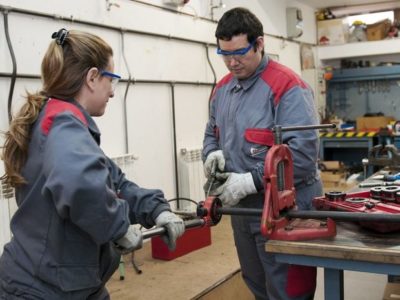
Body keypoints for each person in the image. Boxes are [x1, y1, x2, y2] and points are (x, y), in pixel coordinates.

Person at [0, 28, 185, 300]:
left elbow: (113, 181)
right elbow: (79, 183)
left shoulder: (57, 118)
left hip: (67, 280)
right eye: (111, 80)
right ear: (92, 77)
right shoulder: (63, 124)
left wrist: (155, 209)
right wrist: (118, 227)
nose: (112, 92)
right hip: (42, 288)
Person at [203, 7, 322, 300]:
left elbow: (302, 159)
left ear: (259, 43)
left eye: (240, 52)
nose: (232, 62)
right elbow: (211, 131)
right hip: (243, 211)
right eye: (224, 54)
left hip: (288, 210)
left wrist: (248, 182)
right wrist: (211, 153)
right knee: (257, 285)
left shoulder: (287, 87)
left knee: (289, 292)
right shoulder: (222, 90)